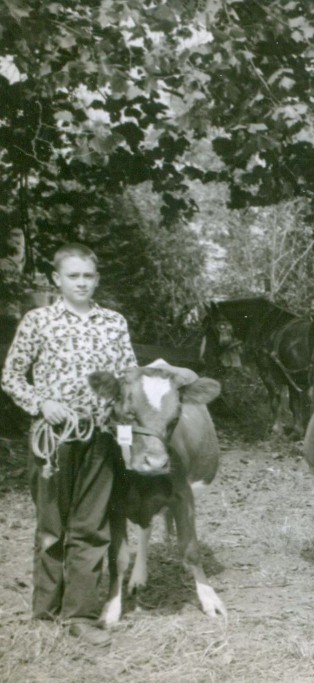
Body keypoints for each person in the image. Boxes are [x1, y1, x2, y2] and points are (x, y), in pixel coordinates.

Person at [1, 242, 137, 647]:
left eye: (88, 276)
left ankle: (79, 614)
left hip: (100, 437)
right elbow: (11, 376)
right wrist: (41, 402)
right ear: (57, 279)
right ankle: (45, 612)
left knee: (91, 528)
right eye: (73, 276)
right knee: (51, 528)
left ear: (97, 279)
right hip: (52, 441)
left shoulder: (113, 323)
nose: (82, 283)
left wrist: (126, 430)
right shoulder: (38, 321)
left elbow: (129, 381)